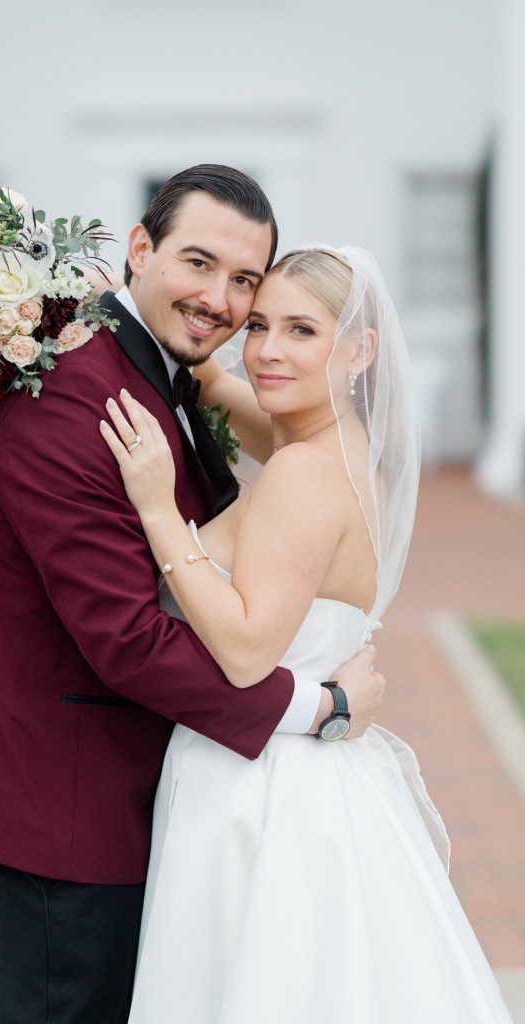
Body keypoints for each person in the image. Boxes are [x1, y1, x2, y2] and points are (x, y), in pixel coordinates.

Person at [0, 167, 384, 1024]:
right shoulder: (70, 399)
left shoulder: (166, 373)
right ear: (139, 249)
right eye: (198, 262)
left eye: (245, 281)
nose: (221, 299)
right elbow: (127, 638)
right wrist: (317, 705)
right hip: (62, 813)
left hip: (154, 798)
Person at [101, 246, 515, 1023]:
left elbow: (249, 648)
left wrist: (161, 512)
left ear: (361, 350)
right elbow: (216, 385)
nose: (268, 350)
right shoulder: (343, 449)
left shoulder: (303, 472)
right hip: (314, 774)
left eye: (301, 330)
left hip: (259, 791)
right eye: (258, 326)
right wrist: (119, 304)